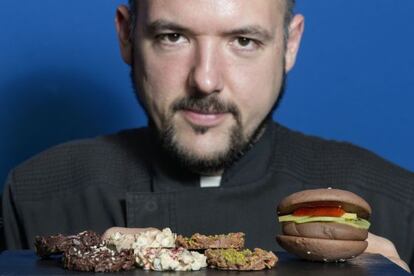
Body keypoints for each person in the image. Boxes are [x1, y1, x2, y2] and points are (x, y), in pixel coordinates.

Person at [2, 0, 413, 271]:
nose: (205, 79)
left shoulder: (397, 202)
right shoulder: (36, 195)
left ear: (290, 45)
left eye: (243, 41)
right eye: (172, 37)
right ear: (127, 35)